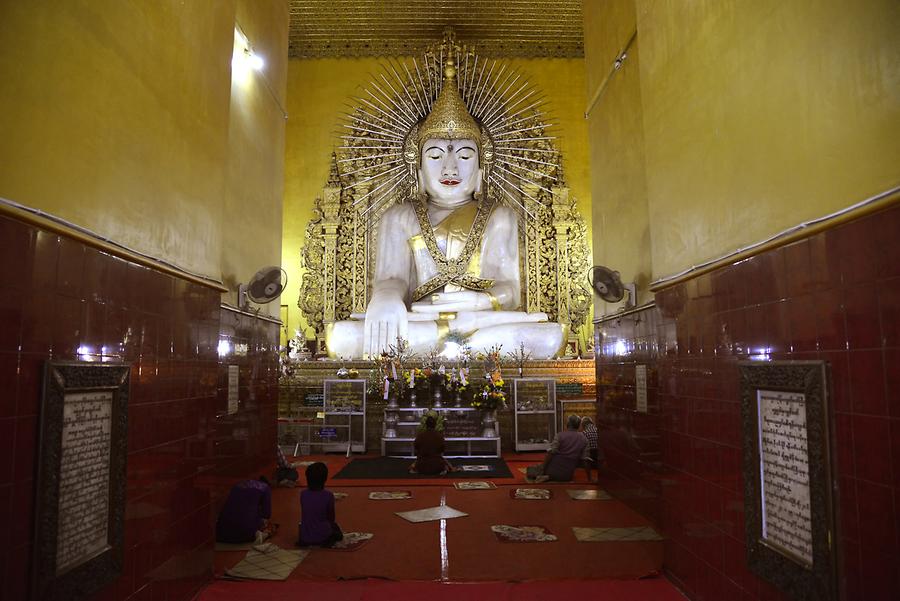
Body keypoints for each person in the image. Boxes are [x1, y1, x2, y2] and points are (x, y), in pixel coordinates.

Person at [326, 58, 565, 359]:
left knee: (547, 336)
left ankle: (448, 347)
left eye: (465, 157)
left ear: (481, 169)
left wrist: (479, 304)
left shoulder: (499, 215)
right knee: (343, 337)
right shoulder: (399, 216)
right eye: (436, 156)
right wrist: (386, 299)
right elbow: (393, 278)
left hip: (480, 320)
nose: (450, 167)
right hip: (421, 320)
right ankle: (465, 351)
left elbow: (510, 289)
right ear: (418, 170)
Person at [526, 415, 588, 483]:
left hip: (552, 470)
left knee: (530, 470)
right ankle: (549, 477)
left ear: (568, 424)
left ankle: (547, 476)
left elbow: (551, 453)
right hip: (568, 475)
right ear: (579, 425)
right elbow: (584, 460)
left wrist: (542, 467)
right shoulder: (584, 438)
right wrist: (589, 478)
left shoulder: (560, 435)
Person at [296, 462, 343, 547]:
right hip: (323, 535)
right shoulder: (328, 495)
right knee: (337, 531)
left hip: (305, 536)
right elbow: (331, 518)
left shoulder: (303, 494)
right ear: (324, 479)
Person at [215, 477, 274, 544]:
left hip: (221, 533)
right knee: (268, 526)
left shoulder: (237, 486)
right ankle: (262, 535)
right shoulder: (265, 487)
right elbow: (266, 514)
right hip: (246, 534)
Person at [580, 416, 600, 482]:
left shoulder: (584, 433)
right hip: (599, 459)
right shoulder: (599, 432)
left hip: (588, 460)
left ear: (583, 425)